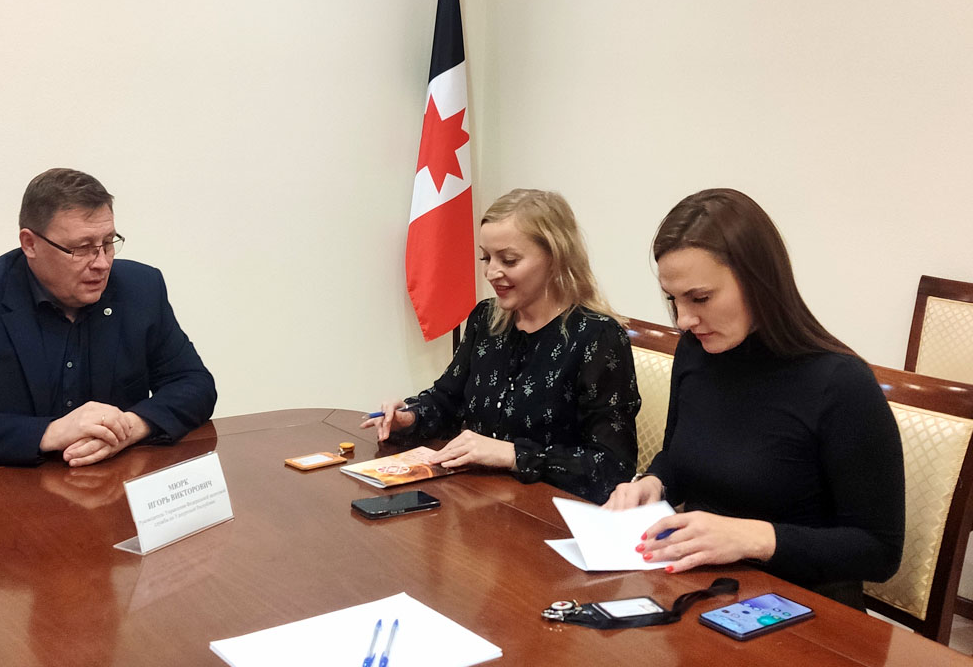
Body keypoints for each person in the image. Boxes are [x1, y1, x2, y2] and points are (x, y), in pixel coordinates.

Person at [605, 188, 904, 609]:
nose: (684, 320)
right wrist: (654, 482)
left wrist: (756, 537)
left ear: (759, 281)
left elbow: (879, 551)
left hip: (804, 607)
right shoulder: (697, 350)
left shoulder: (840, 384)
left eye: (700, 298)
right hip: (705, 589)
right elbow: (680, 455)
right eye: (673, 299)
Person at [0, 168, 216, 466]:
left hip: (113, 482)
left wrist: (130, 427)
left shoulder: (141, 288)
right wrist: (50, 433)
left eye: (108, 243)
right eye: (82, 248)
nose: (102, 263)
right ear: (30, 244)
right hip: (6, 491)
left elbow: (195, 384)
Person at [364, 189, 641, 504]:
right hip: (477, 503)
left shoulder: (597, 337)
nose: (491, 272)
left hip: (549, 513)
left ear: (555, 258)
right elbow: (448, 401)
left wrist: (512, 455)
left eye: (509, 260)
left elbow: (612, 468)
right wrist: (409, 417)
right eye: (486, 257)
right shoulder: (485, 318)